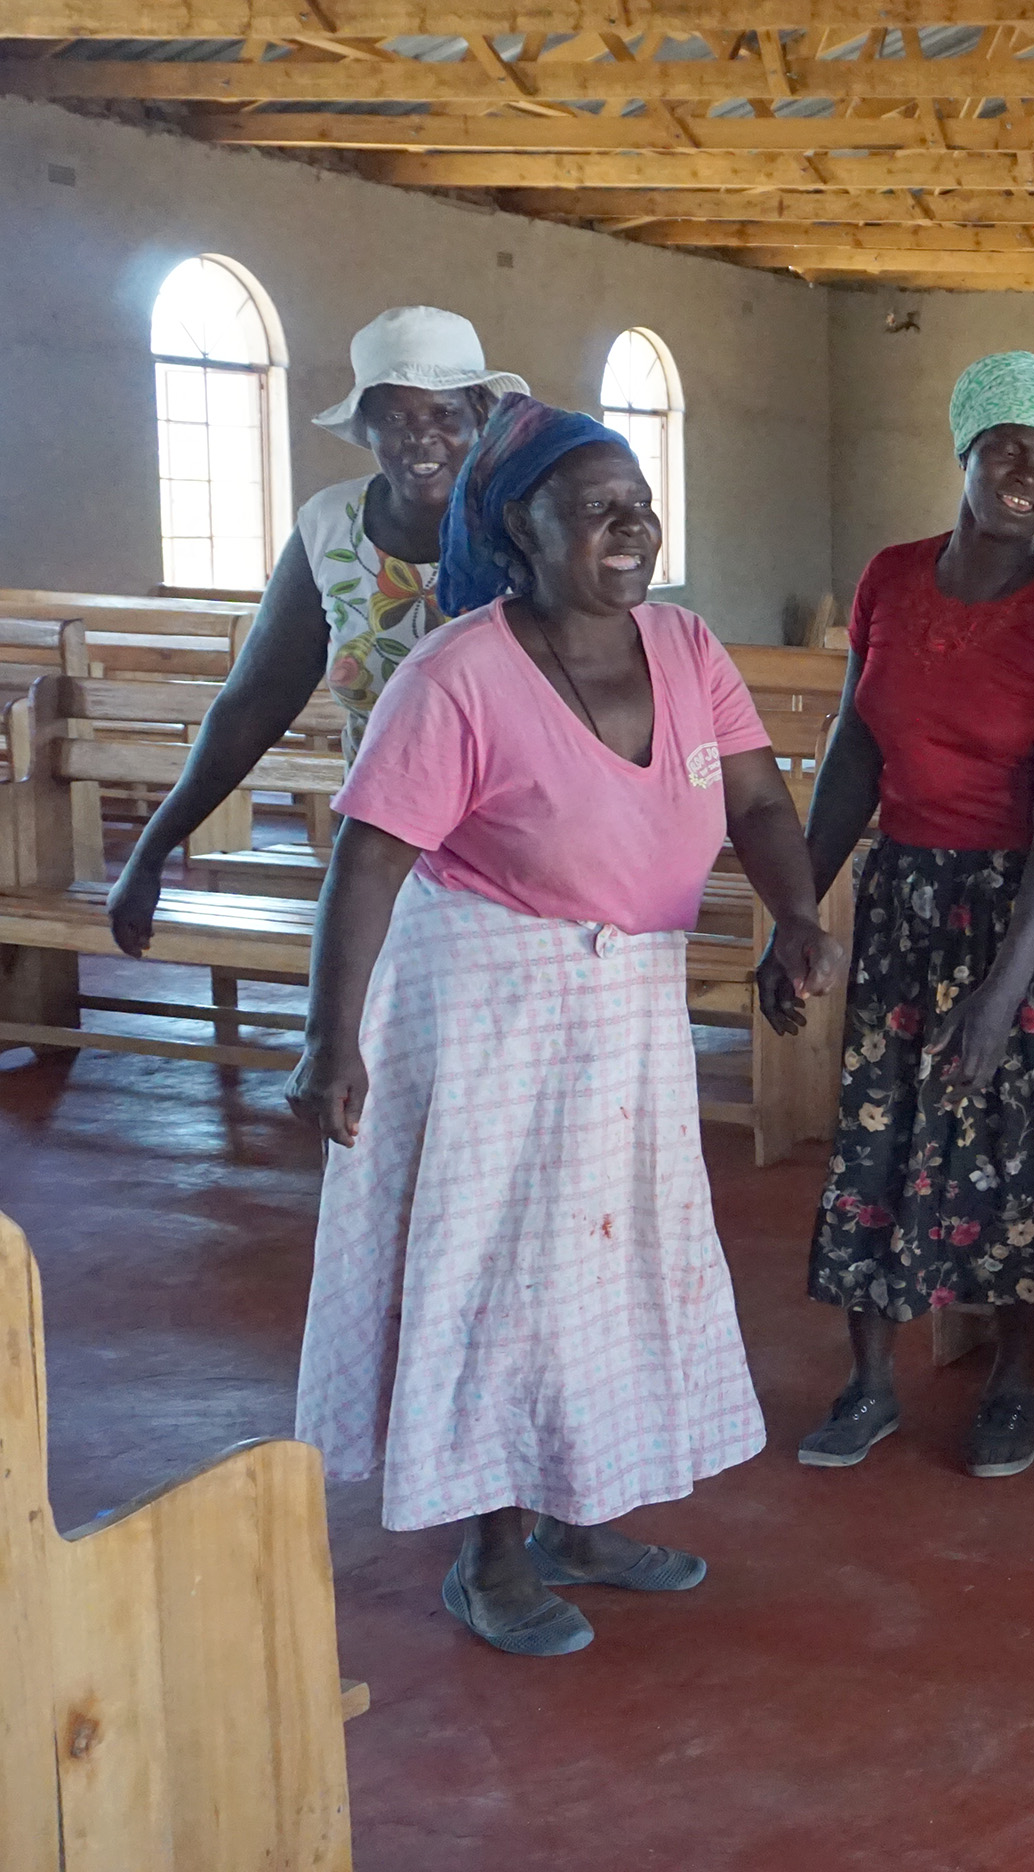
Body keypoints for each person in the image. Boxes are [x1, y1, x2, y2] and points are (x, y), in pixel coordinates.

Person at [285, 396, 844, 1656]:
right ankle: (485, 1555)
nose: (627, 524)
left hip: (626, 997)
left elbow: (756, 798)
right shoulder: (458, 675)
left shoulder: (686, 648)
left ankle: (580, 1516)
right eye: (593, 506)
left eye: (637, 502)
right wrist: (333, 1039)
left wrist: (796, 916)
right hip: (487, 995)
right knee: (495, 1268)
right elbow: (366, 863)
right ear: (520, 529)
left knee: (605, 1261)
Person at [778, 352, 1034, 1482]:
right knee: (881, 1124)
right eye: (1006, 447)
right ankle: (869, 1380)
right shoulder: (890, 580)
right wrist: (797, 903)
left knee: (1025, 1145)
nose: (1027, 474)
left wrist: (1006, 990)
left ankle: (1013, 1383)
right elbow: (857, 746)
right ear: (964, 448)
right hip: (909, 892)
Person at [110, 306, 526, 956]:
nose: (421, 440)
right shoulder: (331, 526)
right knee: (366, 1045)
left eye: (444, 415)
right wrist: (151, 850)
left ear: (481, 416)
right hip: (379, 860)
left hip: (521, 854)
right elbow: (254, 703)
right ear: (367, 429)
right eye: (395, 418)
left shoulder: (528, 521)